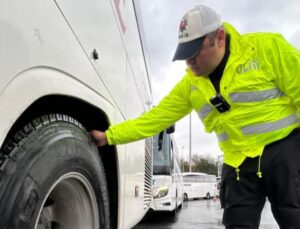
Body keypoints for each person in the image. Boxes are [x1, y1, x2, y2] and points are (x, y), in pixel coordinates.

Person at [90, 5, 300, 228]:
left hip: (283, 152)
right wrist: (109, 136)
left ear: (219, 38)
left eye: (194, 53)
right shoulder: (190, 85)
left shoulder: (268, 49)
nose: (188, 62)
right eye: (184, 55)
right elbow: (154, 119)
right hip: (238, 163)